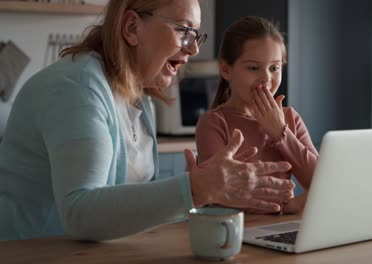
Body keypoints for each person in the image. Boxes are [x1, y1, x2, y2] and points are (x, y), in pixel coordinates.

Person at [0, 0, 296, 241]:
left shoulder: (138, 97)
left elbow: (132, 208)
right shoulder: (76, 87)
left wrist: (204, 190)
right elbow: (80, 214)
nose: (193, 48)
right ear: (131, 27)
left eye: (196, 35)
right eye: (184, 30)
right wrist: (195, 188)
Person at [196, 16, 318, 214]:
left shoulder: (290, 119)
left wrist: (280, 133)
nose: (266, 78)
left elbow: (324, 182)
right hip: (237, 234)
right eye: (253, 68)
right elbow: (219, 195)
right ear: (226, 70)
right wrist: (289, 206)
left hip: (282, 230)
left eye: (274, 68)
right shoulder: (213, 123)